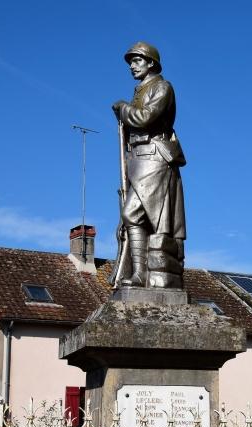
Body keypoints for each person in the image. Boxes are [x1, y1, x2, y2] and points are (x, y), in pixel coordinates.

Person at [110, 42, 186, 288]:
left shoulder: (162, 88)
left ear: (151, 62)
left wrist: (123, 109)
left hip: (154, 157)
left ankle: (143, 273)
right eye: (131, 62)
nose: (132, 66)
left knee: (135, 214)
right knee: (133, 216)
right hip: (139, 158)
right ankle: (140, 273)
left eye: (137, 60)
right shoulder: (140, 90)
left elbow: (144, 118)